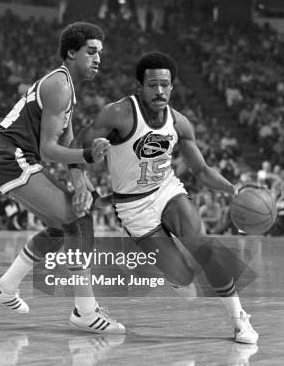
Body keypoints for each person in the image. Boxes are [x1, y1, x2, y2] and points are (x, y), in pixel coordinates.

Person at [83, 51, 258, 344]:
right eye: (152, 85)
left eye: (165, 84)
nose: (160, 91)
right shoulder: (117, 114)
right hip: (132, 206)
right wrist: (83, 180)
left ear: (172, 86)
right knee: (184, 279)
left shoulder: (179, 123)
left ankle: (239, 319)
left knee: (206, 248)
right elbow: (80, 148)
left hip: (167, 191)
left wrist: (232, 190)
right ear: (139, 86)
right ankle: (177, 276)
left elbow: (201, 169)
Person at [0, 21, 125, 334]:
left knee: (62, 227)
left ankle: (5, 288)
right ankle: (85, 311)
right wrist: (88, 156)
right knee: (79, 222)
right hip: (8, 155)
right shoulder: (59, 85)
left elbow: (68, 145)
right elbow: (49, 149)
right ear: (71, 52)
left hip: (11, 156)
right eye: (91, 51)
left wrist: (82, 185)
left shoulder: (67, 89)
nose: (98, 58)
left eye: (100, 52)